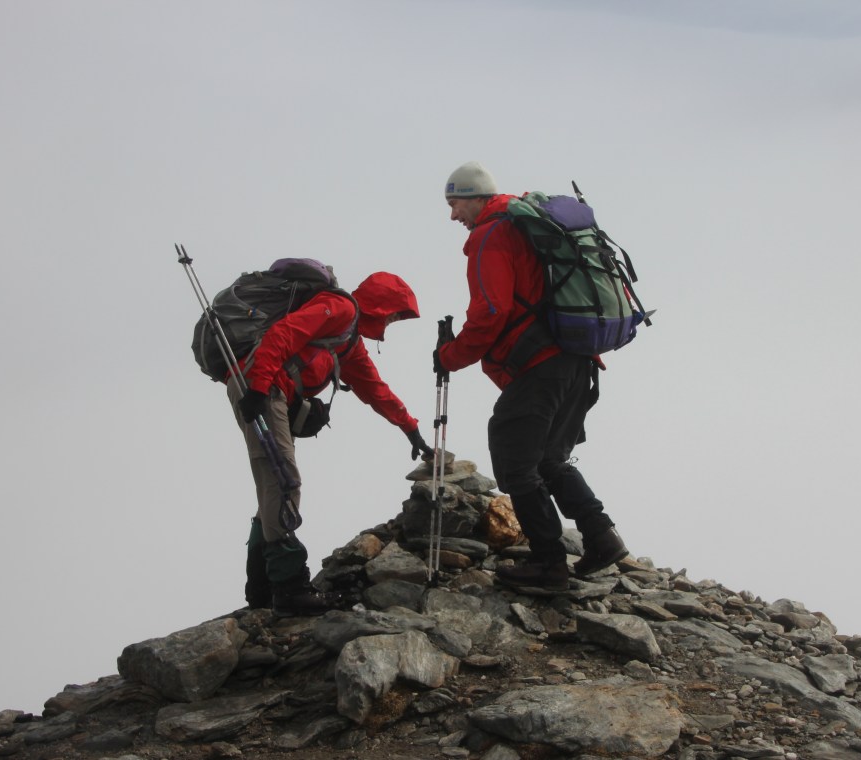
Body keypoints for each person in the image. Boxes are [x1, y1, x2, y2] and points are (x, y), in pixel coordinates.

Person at [433, 161, 629, 591]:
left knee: (515, 460)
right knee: (548, 460)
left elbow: (490, 312)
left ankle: (548, 563)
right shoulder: (528, 224)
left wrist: (450, 355)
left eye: (456, 203)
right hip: (580, 360)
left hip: (542, 365)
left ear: (477, 198)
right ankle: (602, 538)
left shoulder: (490, 234)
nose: (453, 216)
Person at [232, 269, 433, 616]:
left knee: (275, 483)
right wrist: (259, 387)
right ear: (381, 306)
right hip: (262, 385)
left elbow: (375, 389)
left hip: (269, 388)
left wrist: (410, 428)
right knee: (283, 481)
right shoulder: (339, 309)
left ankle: (263, 588)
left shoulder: (349, 341)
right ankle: (289, 588)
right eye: (396, 313)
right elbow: (283, 334)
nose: (394, 321)